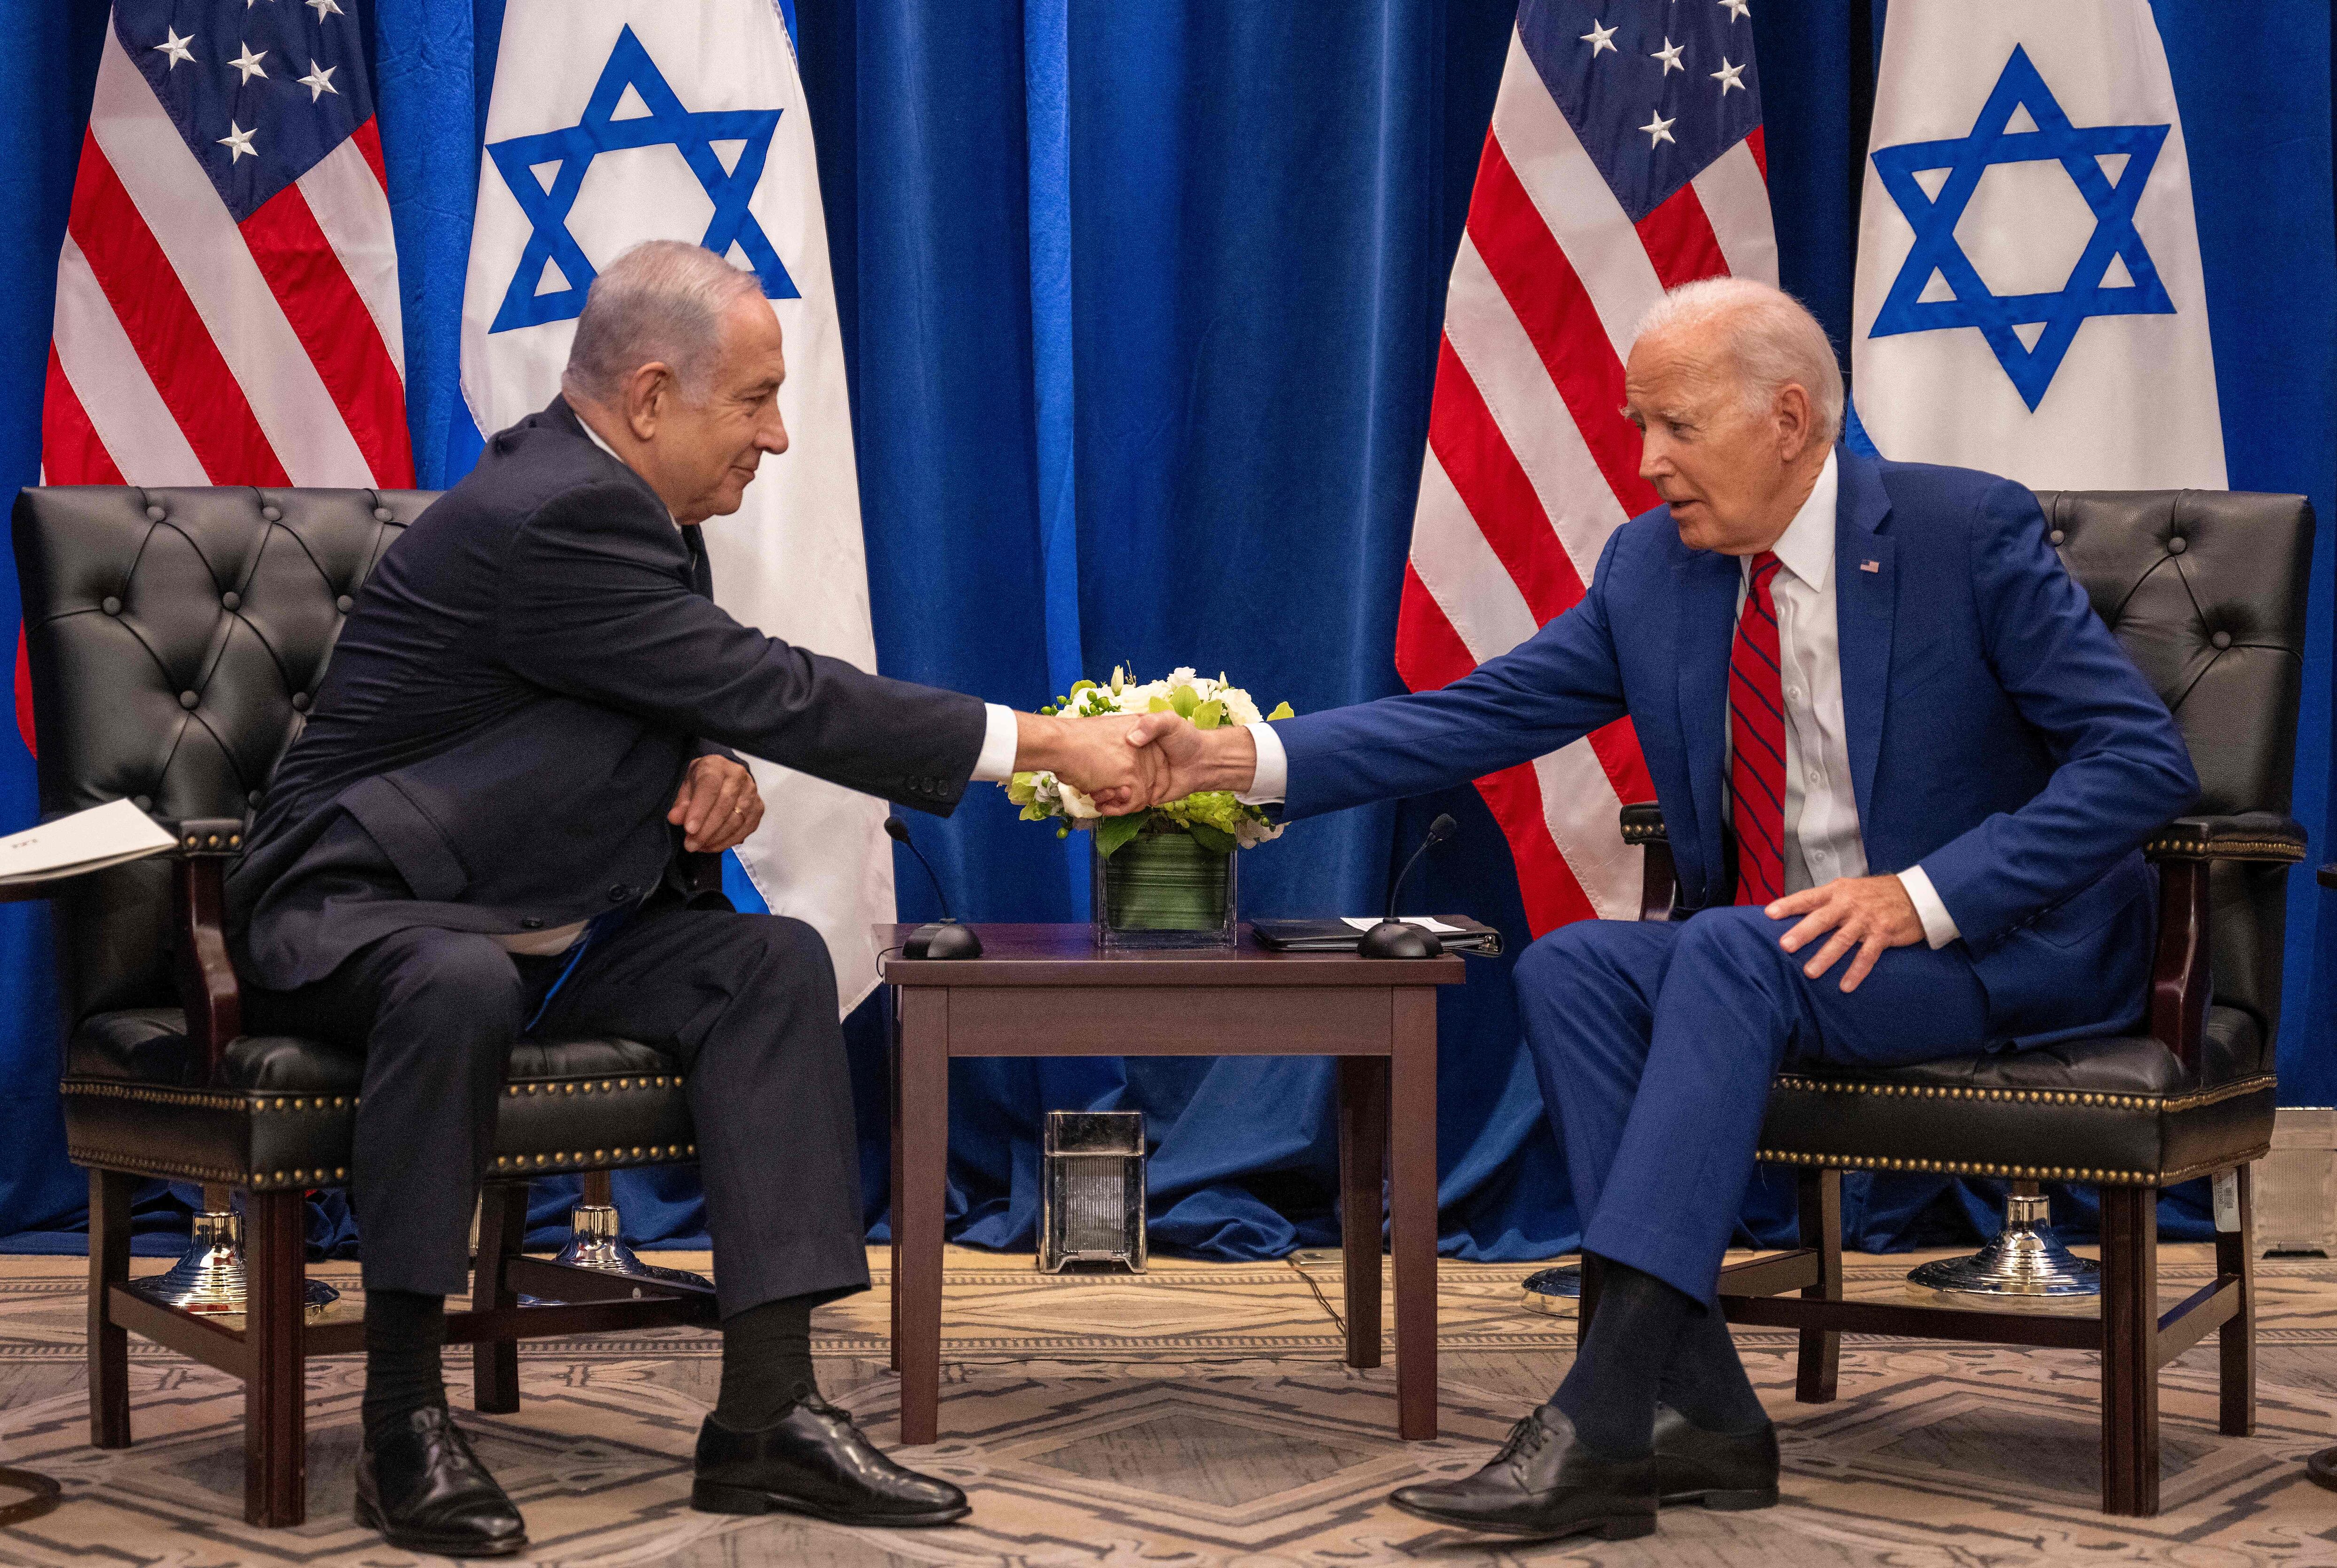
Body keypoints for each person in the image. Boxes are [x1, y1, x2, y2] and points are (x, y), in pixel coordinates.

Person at [1124, 276, 2198, 1544]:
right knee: (1576, 967)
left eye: (1676, 427)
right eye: (1641, 428)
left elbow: (2141, 764)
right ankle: (1711, 1420)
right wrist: (1233, 759)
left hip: (1993, 953)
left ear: (1790, 418)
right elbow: (1472, 716)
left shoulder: (1967, 533)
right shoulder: (1657, 570)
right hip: (1780, 957)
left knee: (1730, 948)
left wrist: (1924, 898)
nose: (1646, 465)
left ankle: (1599, 1417)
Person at [227, 240, 1161, 1556]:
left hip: (536, 910)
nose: (778, 438)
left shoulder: (634, 511)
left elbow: (652, 687)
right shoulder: (564, 507)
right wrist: (1050, 746)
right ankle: (403, 1424)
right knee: (455, 981)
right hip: (360, 910)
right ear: (654, 395)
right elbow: (775, 686)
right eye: (757, 399)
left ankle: (769, 1417)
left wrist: (704, 752)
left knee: (768, 965)